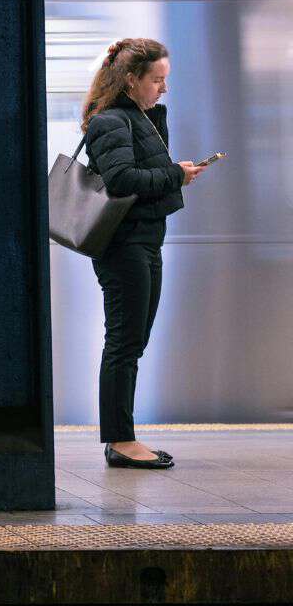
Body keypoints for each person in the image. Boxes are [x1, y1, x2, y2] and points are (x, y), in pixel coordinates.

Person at [81, 38, 208, 470]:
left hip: (145, 240)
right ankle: (120, 440)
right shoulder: (110, 122)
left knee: (132, 340)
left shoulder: (139, 118)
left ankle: (124, 437)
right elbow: (120, 180)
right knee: (123, 342)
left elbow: (142, 169)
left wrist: (172, 165)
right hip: (124, 245)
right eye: (156, 80)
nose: (163, 89)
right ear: (131, 79)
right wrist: (176, 174)